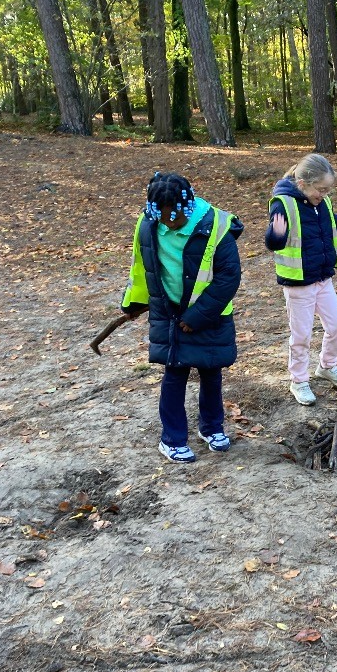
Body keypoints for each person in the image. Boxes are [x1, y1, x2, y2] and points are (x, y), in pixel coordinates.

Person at [121, 172, 243, 463]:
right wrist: (134, 302)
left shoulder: (216, 226)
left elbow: (228, 278)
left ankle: (211, 428)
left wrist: (198, 316)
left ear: (187, 206)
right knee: (174, 374)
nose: (169, 223)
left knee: (210, 371)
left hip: (209, 314)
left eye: (174, 217)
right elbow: (143, 267)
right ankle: (172, 439)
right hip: (170, 313)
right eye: (163, 218)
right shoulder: (148, 224)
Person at [265, 153, 337, 405]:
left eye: (327, 190)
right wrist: (276, 235)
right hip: (298, 284)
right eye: (321, 189)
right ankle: (299, 381)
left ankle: (326, 366)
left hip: (323, 279)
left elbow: (335, 226)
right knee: (301, 336)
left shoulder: (321, 203)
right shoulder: (283, 204)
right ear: (303, 183)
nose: (324, 194)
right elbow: (274, 242)